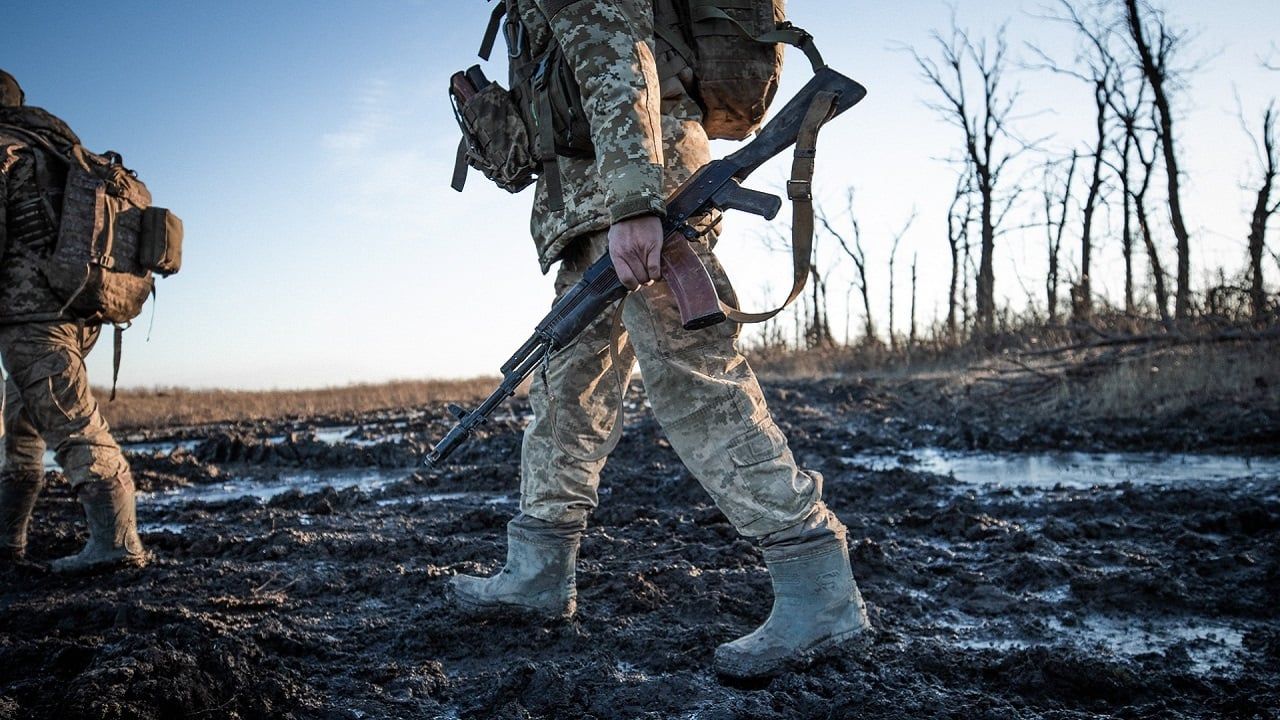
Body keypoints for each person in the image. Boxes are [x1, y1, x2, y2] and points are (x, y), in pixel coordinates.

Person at [447, 2, 870, 679]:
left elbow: (619, 57)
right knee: (565, 397)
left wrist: (637, 203)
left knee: (695, 383)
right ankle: (537, 574)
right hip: (594, 210)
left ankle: (818, 587)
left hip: (642, 194)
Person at [0, 68, 147, 572]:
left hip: (32, 315)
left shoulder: (6, 147)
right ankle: (8, 541)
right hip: (77, 307)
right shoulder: (58, 147)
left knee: (70, 422)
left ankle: (117, 543)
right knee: (21, 426)